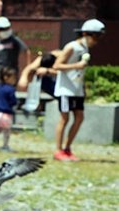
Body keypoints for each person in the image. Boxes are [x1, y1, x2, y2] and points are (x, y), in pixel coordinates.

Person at [52, 19, 105, 161]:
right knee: (64, 118)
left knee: (79, 117)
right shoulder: (72, 47)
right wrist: (76, 65)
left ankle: (67, 148)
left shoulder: (85, 49)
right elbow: (57, 66)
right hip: (65, 89)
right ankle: (58, 151)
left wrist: (83, 88)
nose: (97, 40)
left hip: (76, 90)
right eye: (96, 36)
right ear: (86, 34)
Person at [0, 16, 31, 87]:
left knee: (9, 92)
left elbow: (26, 51)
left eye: (7, 28)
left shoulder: (15, 41)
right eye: (2, 29)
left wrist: (28, 69)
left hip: (12, 72)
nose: (5, 31)